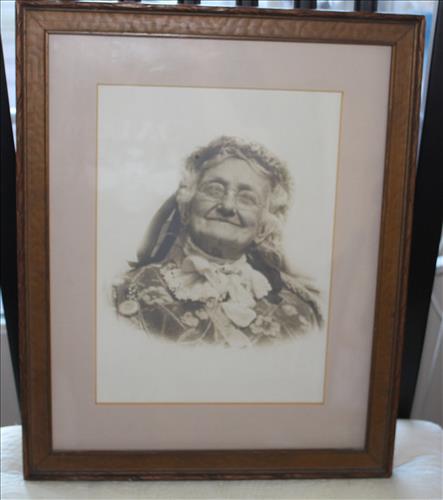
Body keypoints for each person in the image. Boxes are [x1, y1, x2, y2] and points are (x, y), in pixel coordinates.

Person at [113, 136, 323, 347]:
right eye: (214, 190)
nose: (227, 206)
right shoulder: (123, 293)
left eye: (247, 198)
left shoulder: (301, 314)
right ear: (186, 209)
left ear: (263, 228)